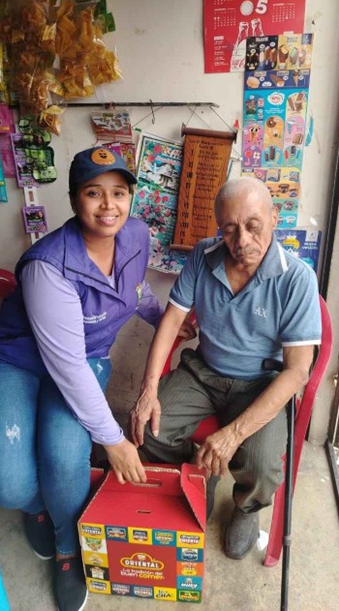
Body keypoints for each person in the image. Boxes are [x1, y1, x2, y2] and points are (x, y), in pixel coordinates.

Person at [0, 146, 192, 611]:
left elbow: (134, 289)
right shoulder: (48, 265)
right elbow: (66, 365)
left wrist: (161, 318)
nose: (108, 205)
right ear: (74, 200)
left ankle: (68, 547)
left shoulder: (136, 235)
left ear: (130, 198)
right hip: (14, 361)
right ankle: (37, 508)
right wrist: (113, 440)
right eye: (94, 192)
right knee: (8, 484)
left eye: (119, 192)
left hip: (84, 357)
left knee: (64, 457)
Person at [130, 176, 322, 561]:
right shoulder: (203, 255)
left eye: (253, 225)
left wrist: (233, 435)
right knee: (148, 428)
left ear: (274, 218)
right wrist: (148, 390)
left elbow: (298, 371)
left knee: (261, 464)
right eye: (230, 229)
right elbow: (172, 320)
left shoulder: (296, 279)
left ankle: (246, 507)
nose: (242, 241)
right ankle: (197, 475)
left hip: (260, 383)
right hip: (204, 372)